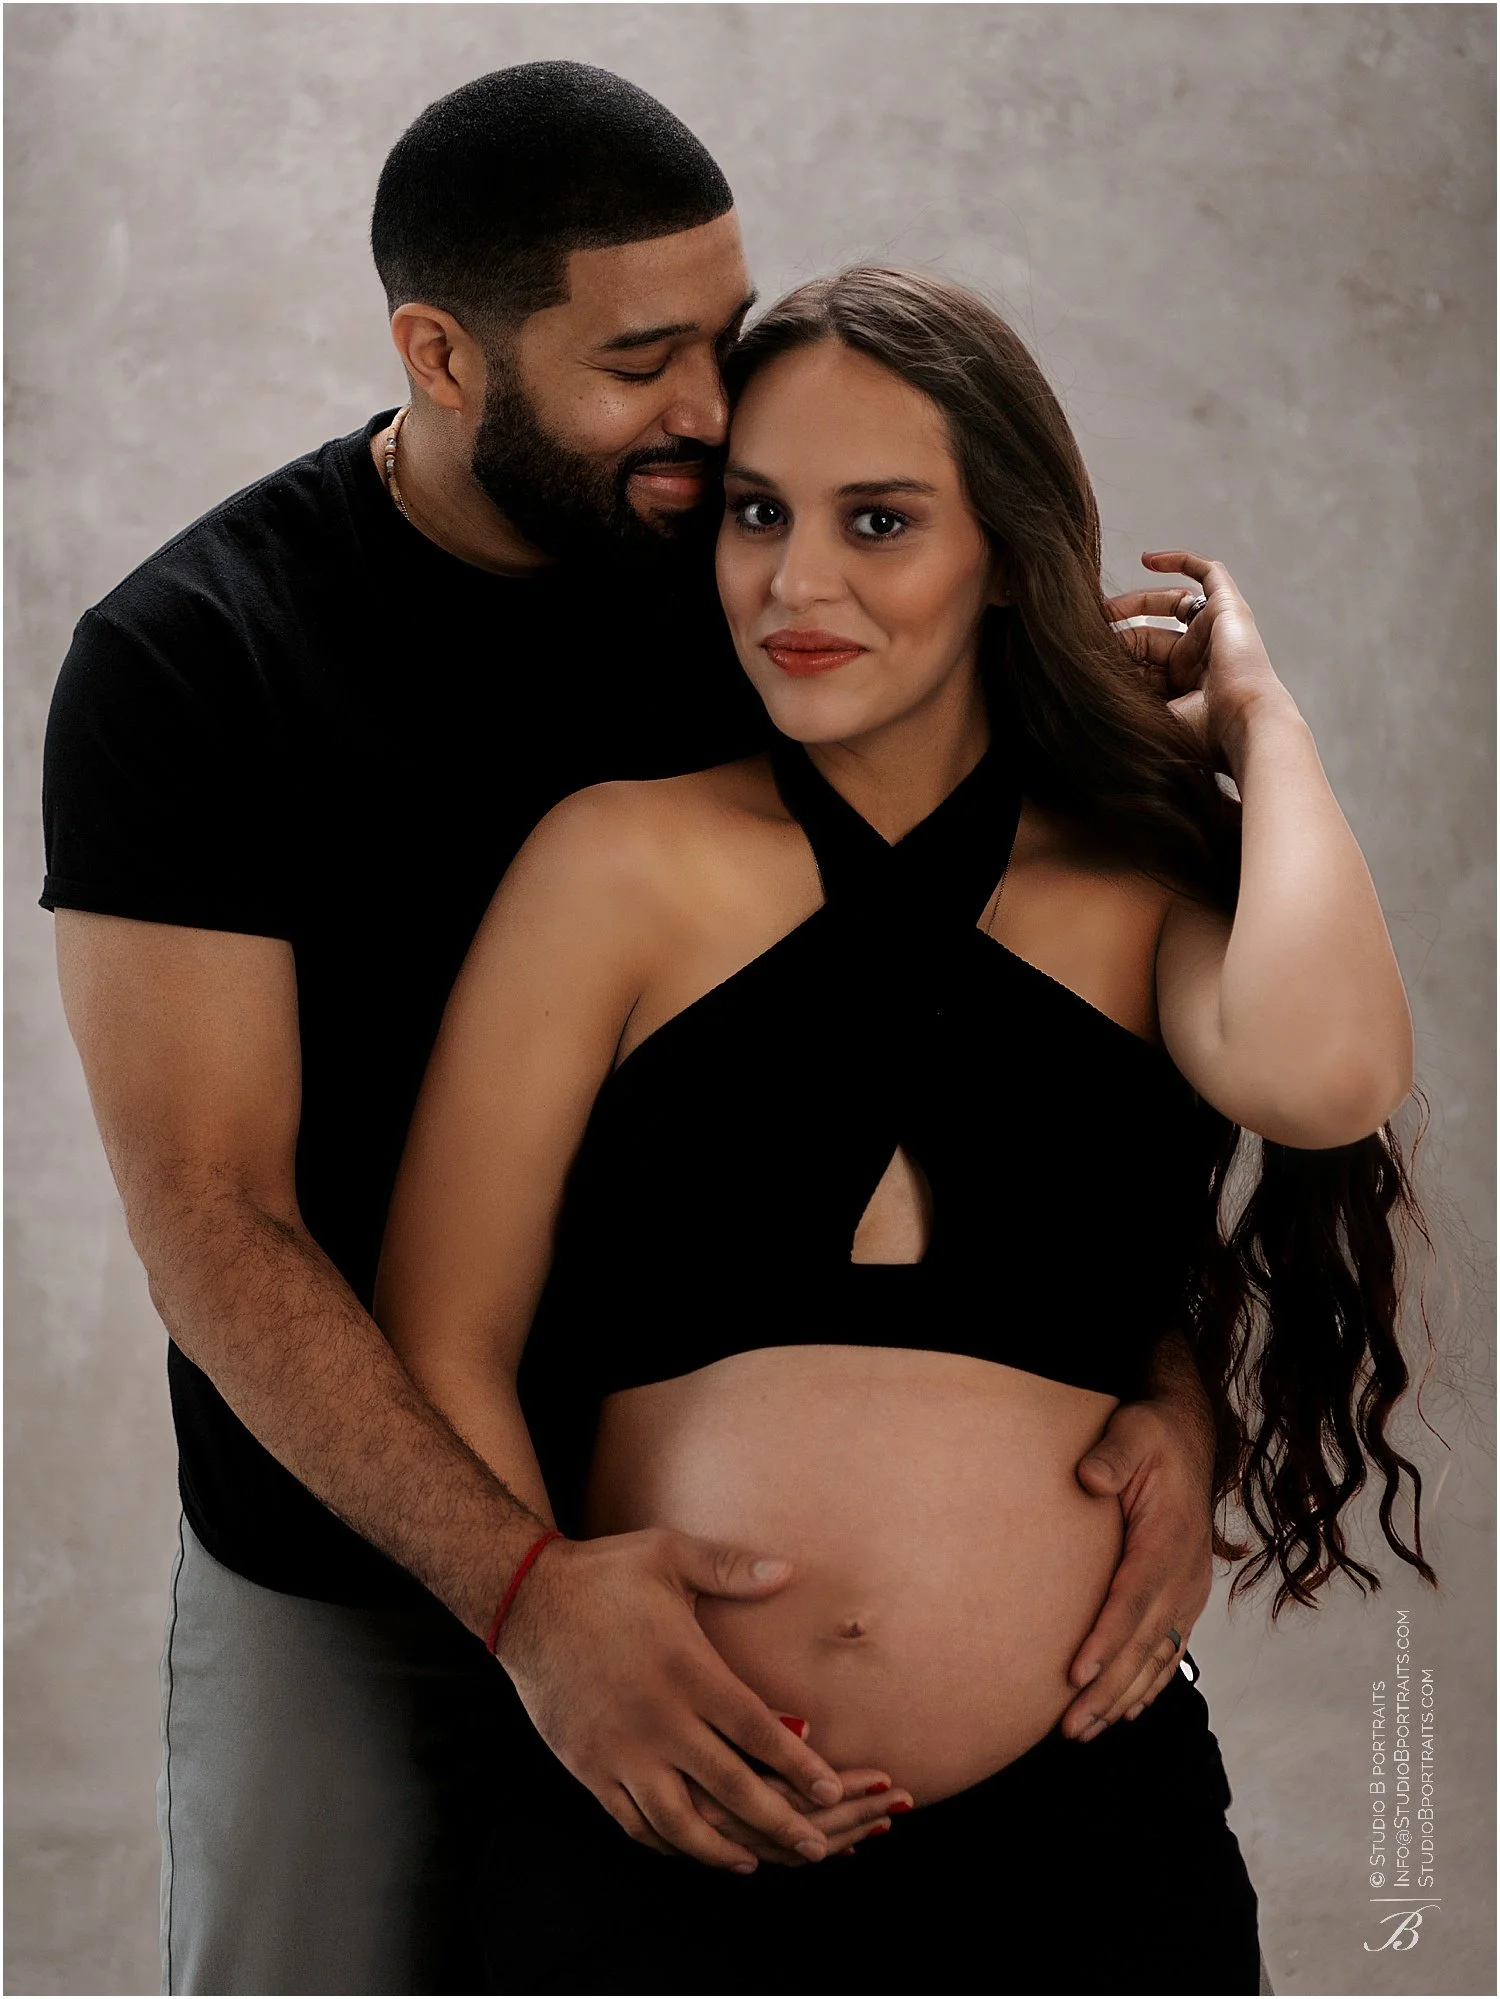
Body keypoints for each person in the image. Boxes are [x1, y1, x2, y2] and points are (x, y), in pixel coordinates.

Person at [45, 64, 1227, 1997]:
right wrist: (522, 1595)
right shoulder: (193, 664)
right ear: (441, 352)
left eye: (725, 330)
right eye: (641, 359)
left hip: (699, 1556)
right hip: (354, 1555)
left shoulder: (750, 578)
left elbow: (985, 1029)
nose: (709, 409)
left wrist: (1161, 1387)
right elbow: (213, 1216)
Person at [376, 266, 1436, 1997]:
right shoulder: (617, 861)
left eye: (879, 521)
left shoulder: (1133, 882)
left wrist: (1262, 718)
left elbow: (1326, 1076)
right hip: (657, 1814)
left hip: (1083, 1847)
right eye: (757, 515)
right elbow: (444, 1327)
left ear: (1005, 551)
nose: (796, 583)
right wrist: (555, 1645)